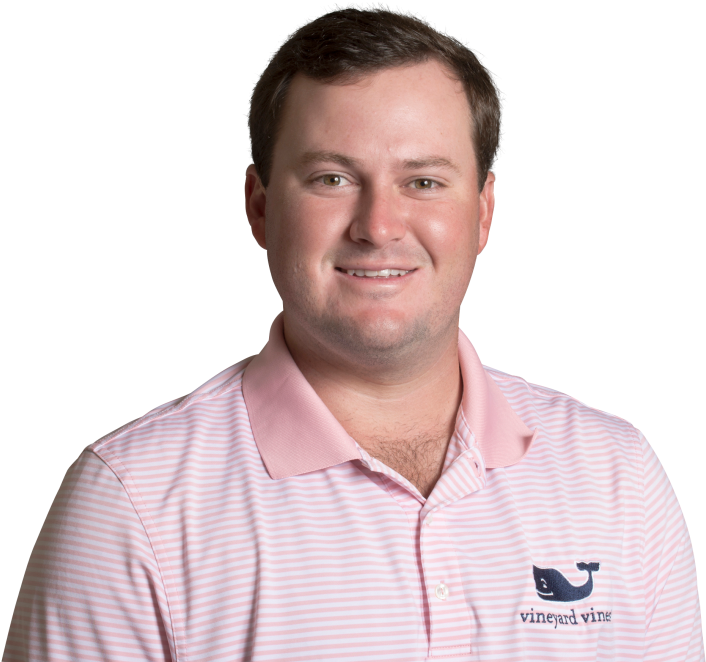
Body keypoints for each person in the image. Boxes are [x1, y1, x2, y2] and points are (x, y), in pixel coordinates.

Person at [5, 7, 702, 662]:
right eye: (332, 178)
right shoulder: (130, 503)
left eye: (423, 182)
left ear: (484, 211)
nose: (378, 226)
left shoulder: (619, 475)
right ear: (259, 207)